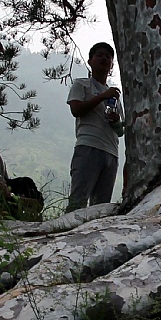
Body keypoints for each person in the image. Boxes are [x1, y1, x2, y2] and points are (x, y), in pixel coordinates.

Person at [67, 42, 125, 210]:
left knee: (100, 207)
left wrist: (116, 121)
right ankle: (68, 226)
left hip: (111, 152)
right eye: (99, 55)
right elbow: (76, 110)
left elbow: (120, 131)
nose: (104, 58)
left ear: (112, 65)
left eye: (108, 57)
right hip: (88, 146)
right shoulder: (82, 84)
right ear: (90, 61)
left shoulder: (114, 96)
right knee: (78, 200)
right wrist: (102, 97)